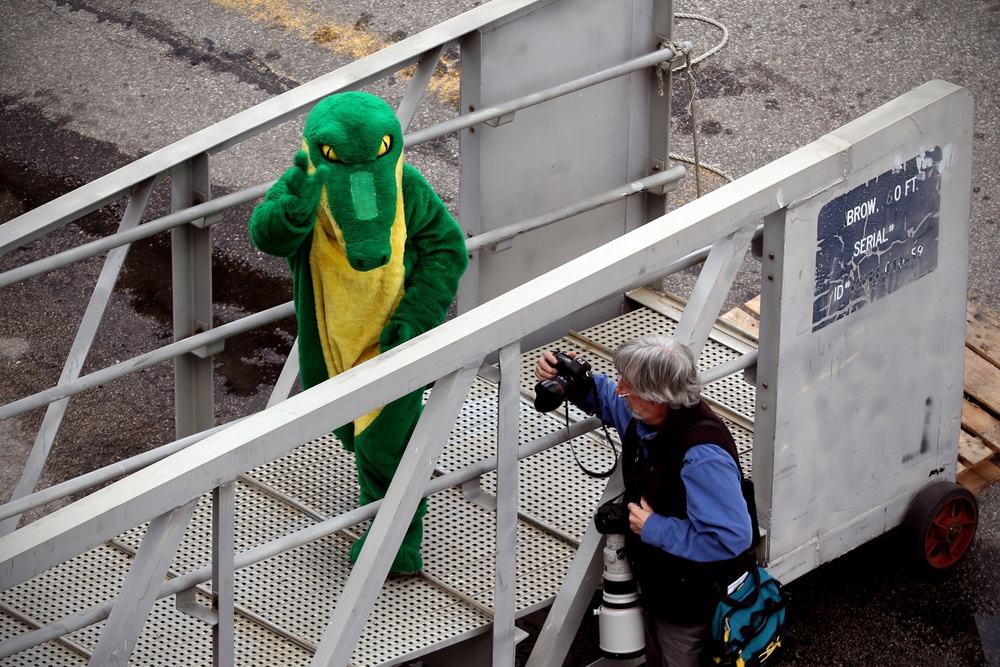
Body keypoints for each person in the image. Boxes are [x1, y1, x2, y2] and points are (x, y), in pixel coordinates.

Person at [535, 335, 753, 667]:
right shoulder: (648, 419)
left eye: (628, 386)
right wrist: (569, 379)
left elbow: (731, 539)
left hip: (689, 602)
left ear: (655, 398)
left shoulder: (702, 457)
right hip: (660, 586)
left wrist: (653, 527)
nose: (620, 388)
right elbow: (607, 399)